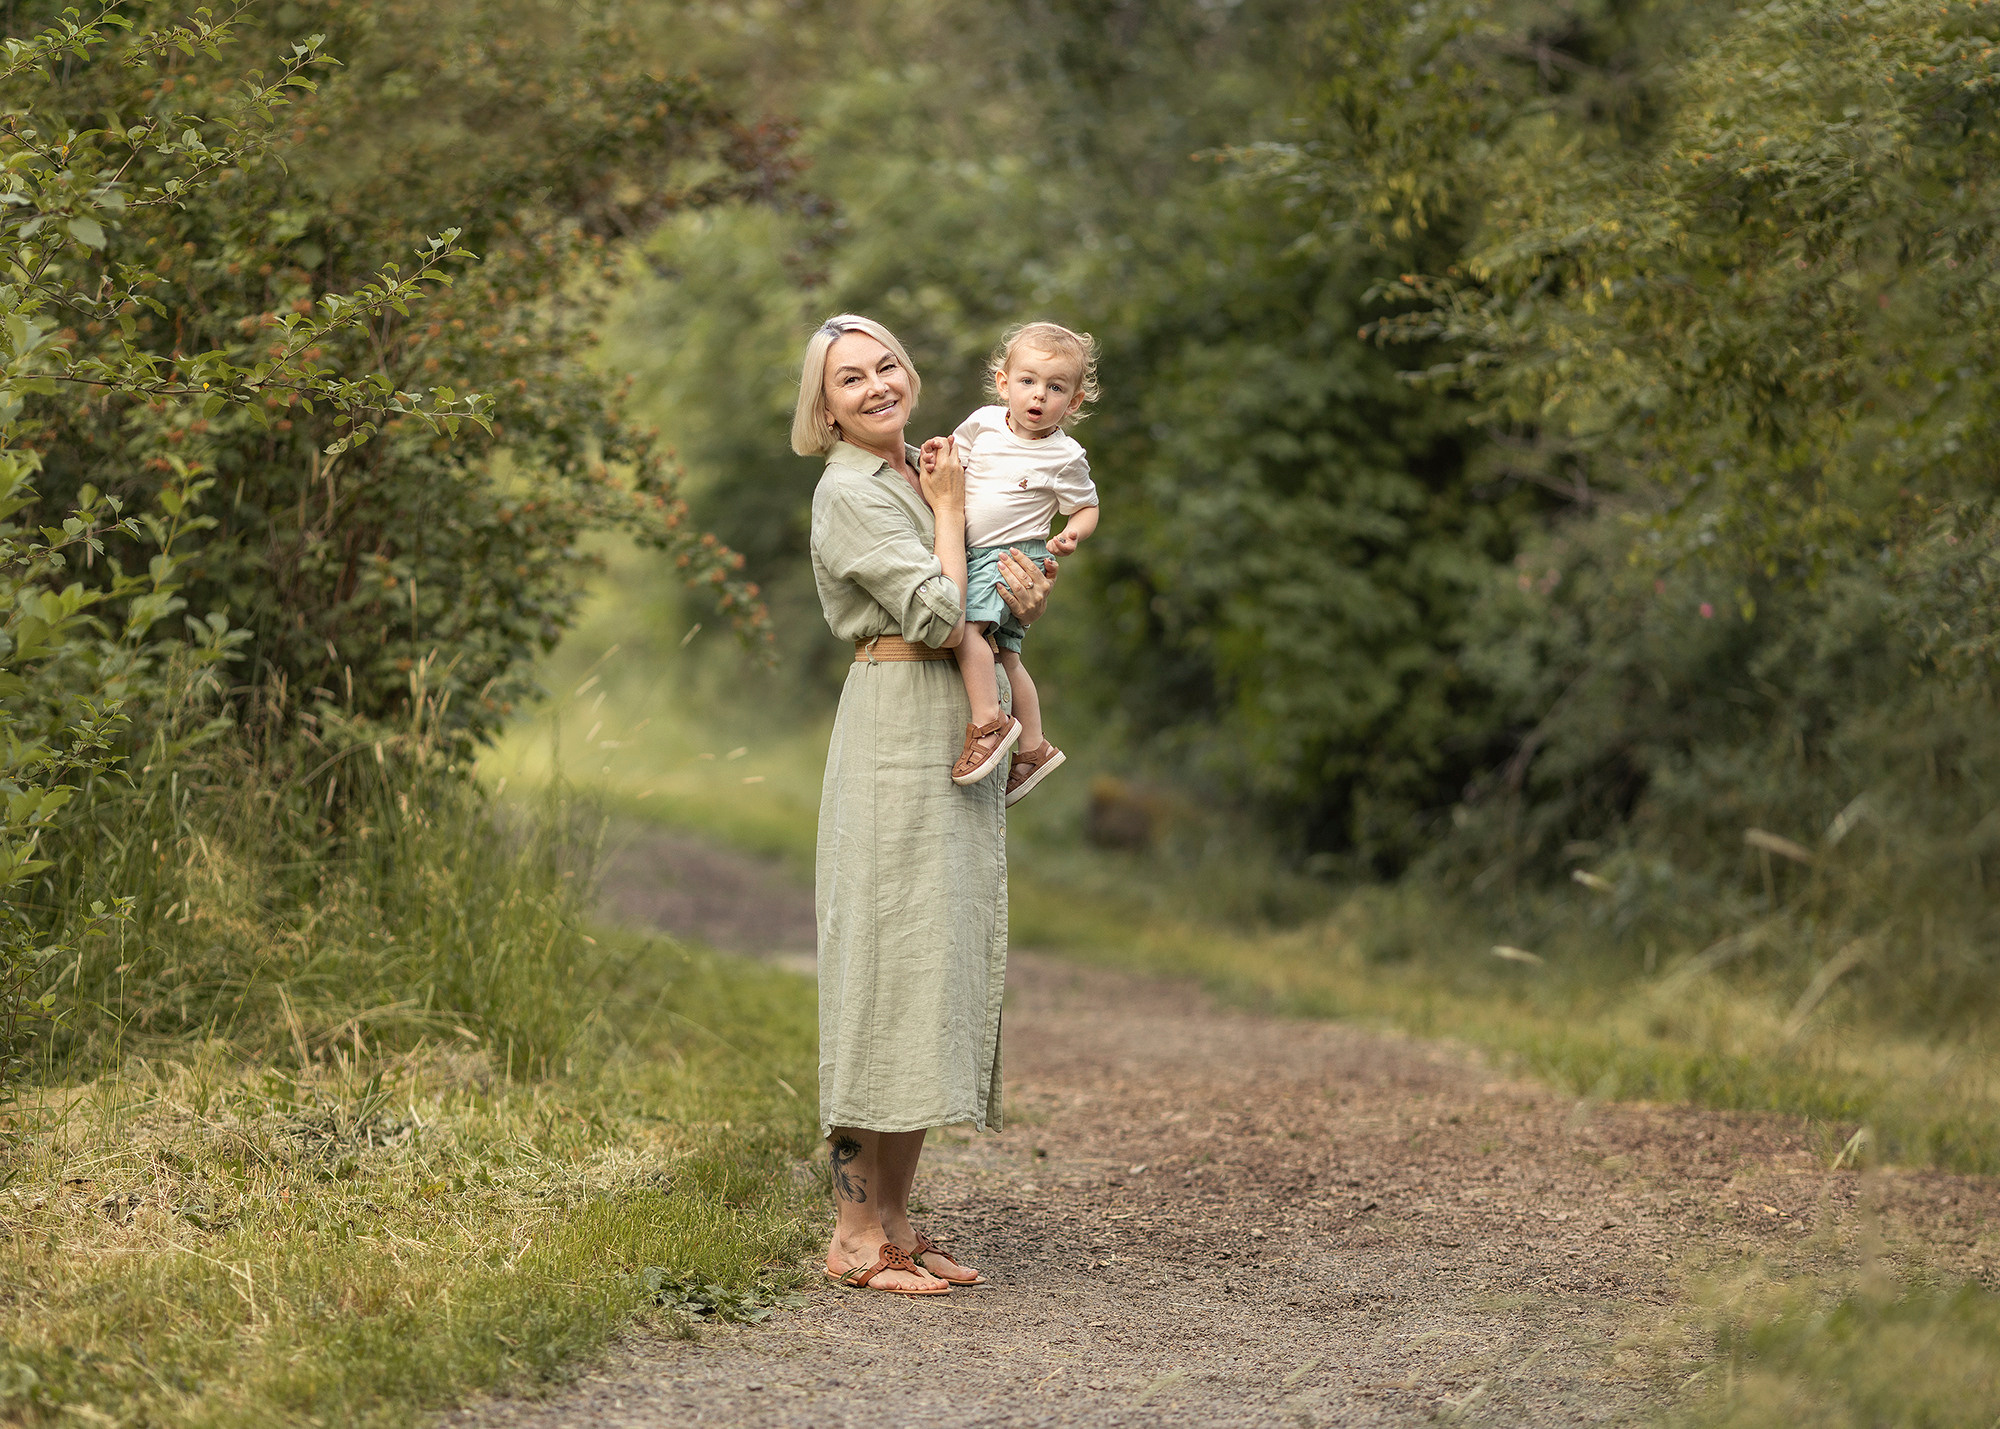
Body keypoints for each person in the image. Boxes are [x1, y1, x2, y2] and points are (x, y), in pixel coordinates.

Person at [793, 313, 1057, 1295]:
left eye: (886, 365)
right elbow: (939, 613)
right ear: (822, 408)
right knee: (882, 965)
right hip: (893, 725)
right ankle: (853, 1233)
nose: (873, 385)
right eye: (848, 378)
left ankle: (896, 1225)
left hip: (947, 720)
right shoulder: (851, 493)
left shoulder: (924, 469)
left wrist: (1021, 588)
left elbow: (978, 601)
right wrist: (950, 515)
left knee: (930, 965)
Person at [936, 321, 1101, 805]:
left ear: (1072, 402)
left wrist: (1073, 532)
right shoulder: (984, 424)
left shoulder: (1065, 455)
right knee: (1007, 655)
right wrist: (933, 458)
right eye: (1027, 381)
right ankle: (1032, 747)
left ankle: (989, 723)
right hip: (972, 554)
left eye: (1055, 388)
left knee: (965, 630)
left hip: (1011, 557)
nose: (1039, 396)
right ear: (1004, 383)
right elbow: (954, 459)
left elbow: (1086, 505)